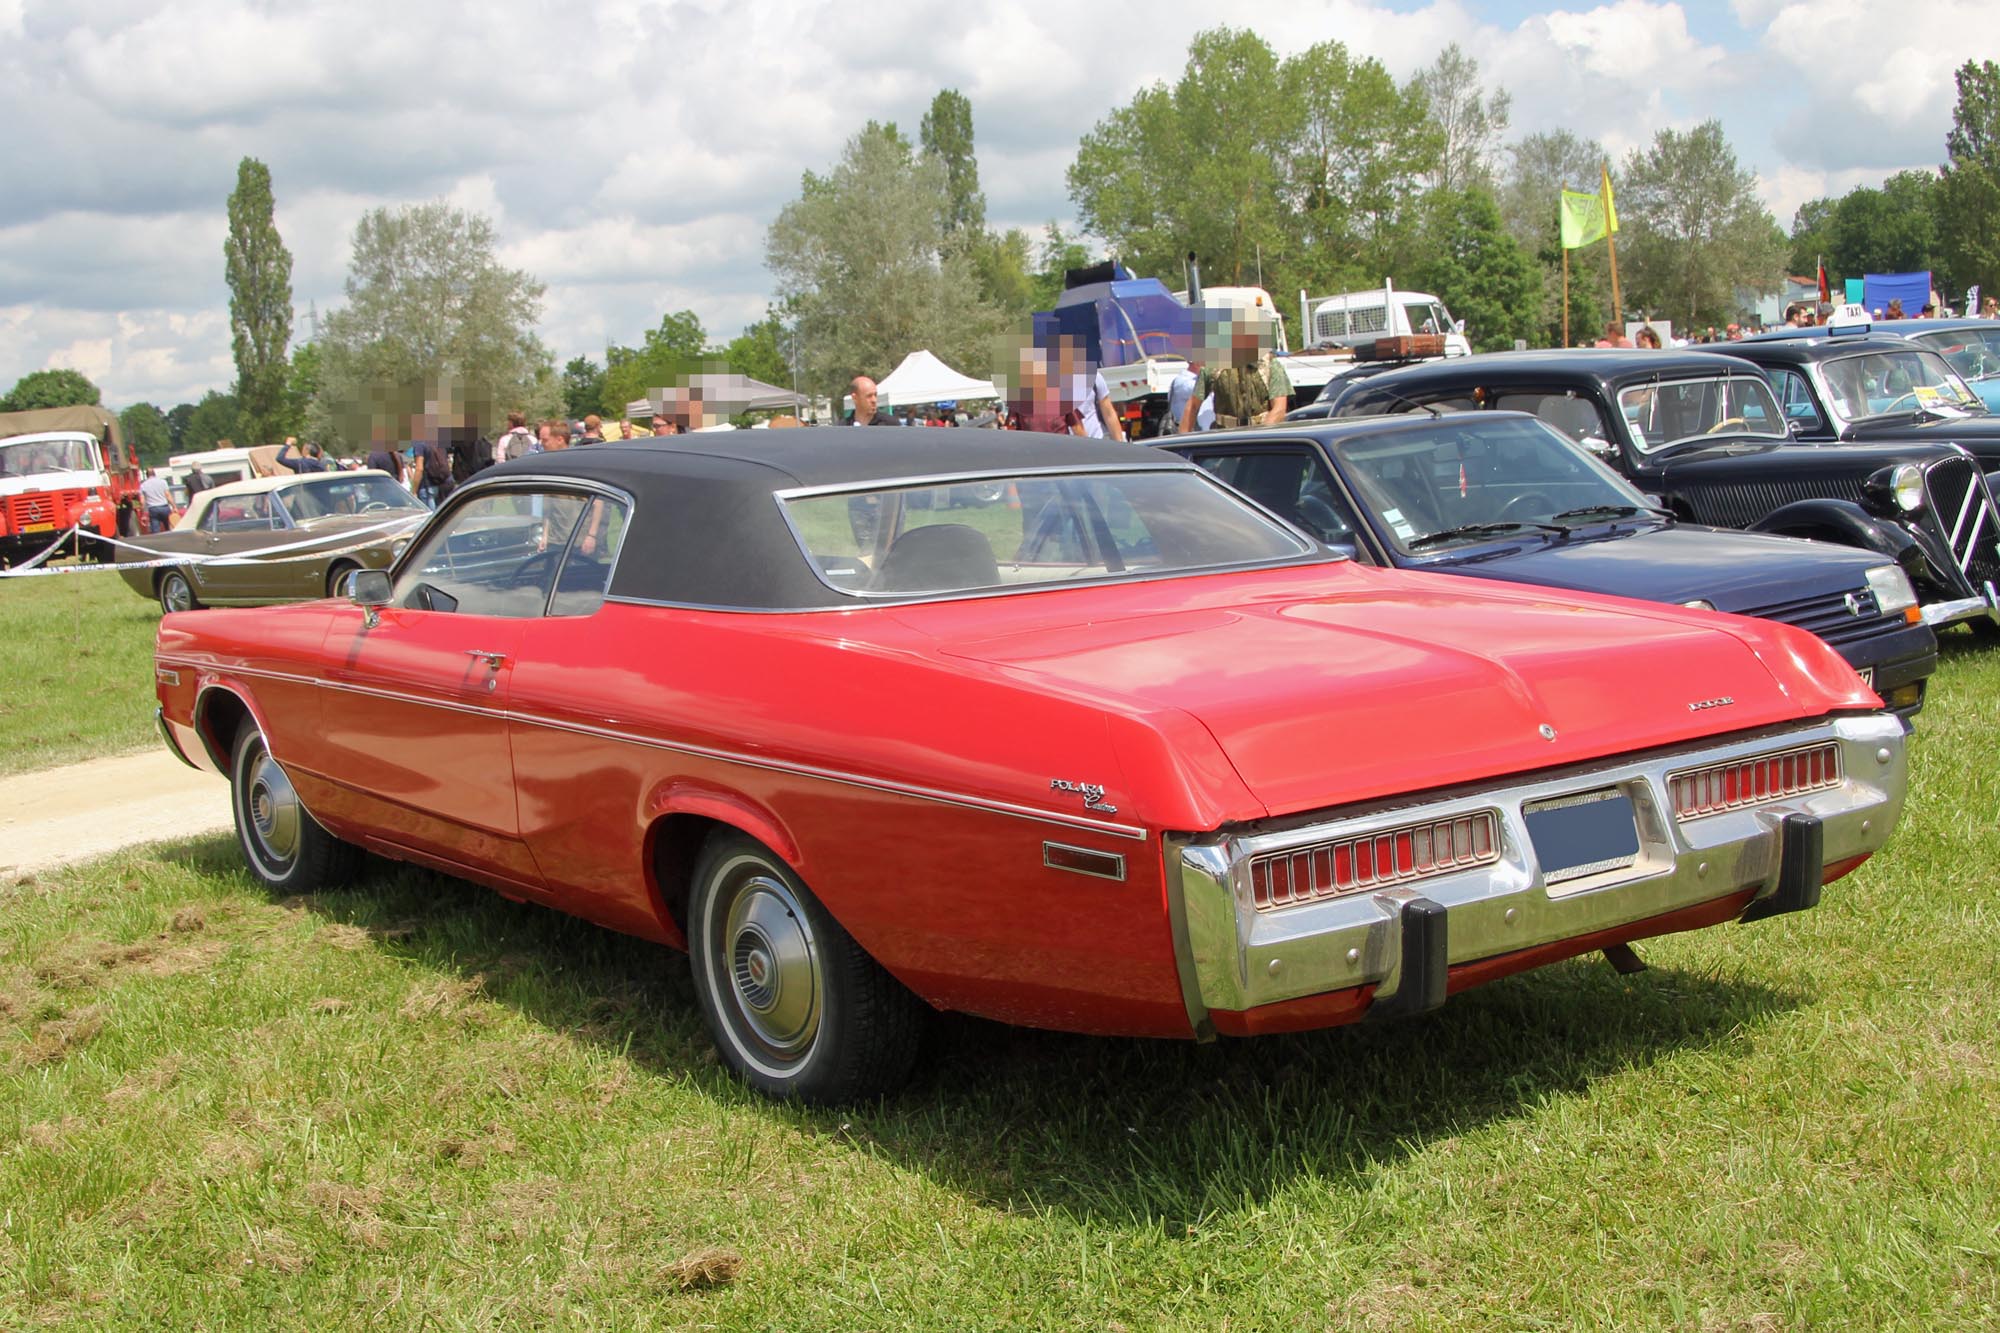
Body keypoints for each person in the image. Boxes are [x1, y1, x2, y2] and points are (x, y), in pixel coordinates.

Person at [1180, 312, 1290, 432]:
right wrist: (1181, 443)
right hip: (1225, 437)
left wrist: (1261, 436)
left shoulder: (1271, 366)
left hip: (1261, 435)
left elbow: (1279, 409)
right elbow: (1192, 406)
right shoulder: (1213, 367)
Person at [139, 468, 173, 533]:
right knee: (168, 527)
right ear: (154, 474)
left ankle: (157, 541)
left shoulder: (143, 485)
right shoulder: (163, 482)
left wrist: (143, 513)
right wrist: (174, 507)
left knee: (155, 530)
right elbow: (168, 495)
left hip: (153, 509)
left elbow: (142, 501)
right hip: (164, 507)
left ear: (147, 475)